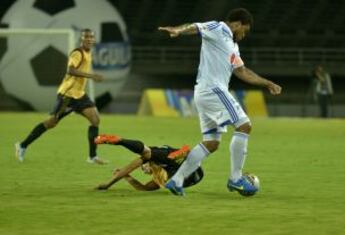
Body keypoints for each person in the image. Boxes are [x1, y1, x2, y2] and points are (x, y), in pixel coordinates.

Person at [158, 8, 282, 196]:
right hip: (213, 89)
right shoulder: (219, 28)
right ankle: (235, 179)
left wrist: (267, 83)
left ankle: (176, 180)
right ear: (238, 24)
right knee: (244, 126)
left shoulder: (233, 46)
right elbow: (196, 27)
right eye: (245, 30)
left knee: (211, 143)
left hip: (204, 92)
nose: (244, 35)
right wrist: (178, 30)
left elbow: (242, 72)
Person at [15, 28, 107, 164]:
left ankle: (92, 157)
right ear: (81, 39)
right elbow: (71, 70)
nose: (88, 39)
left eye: (91, 37)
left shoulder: (89, 52)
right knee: (51, 123)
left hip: (79, 95)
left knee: (95, 120)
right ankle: (22, 145)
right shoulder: (78, 53)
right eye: (85, 37)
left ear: (94, 39)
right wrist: (92, 76)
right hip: (67, 96)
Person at [94, 134, 204, 191]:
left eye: (143, 167)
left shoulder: (155, 158)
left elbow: (187, 149)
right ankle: (119, 140)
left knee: (150, 153)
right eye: (144, 168)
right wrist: (126, 177)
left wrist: (111, 182)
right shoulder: (160, 177)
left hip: (183, 166)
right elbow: (144, 188)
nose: (144, 170)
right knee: (149, 154)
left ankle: (119, 140)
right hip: (184, 174)